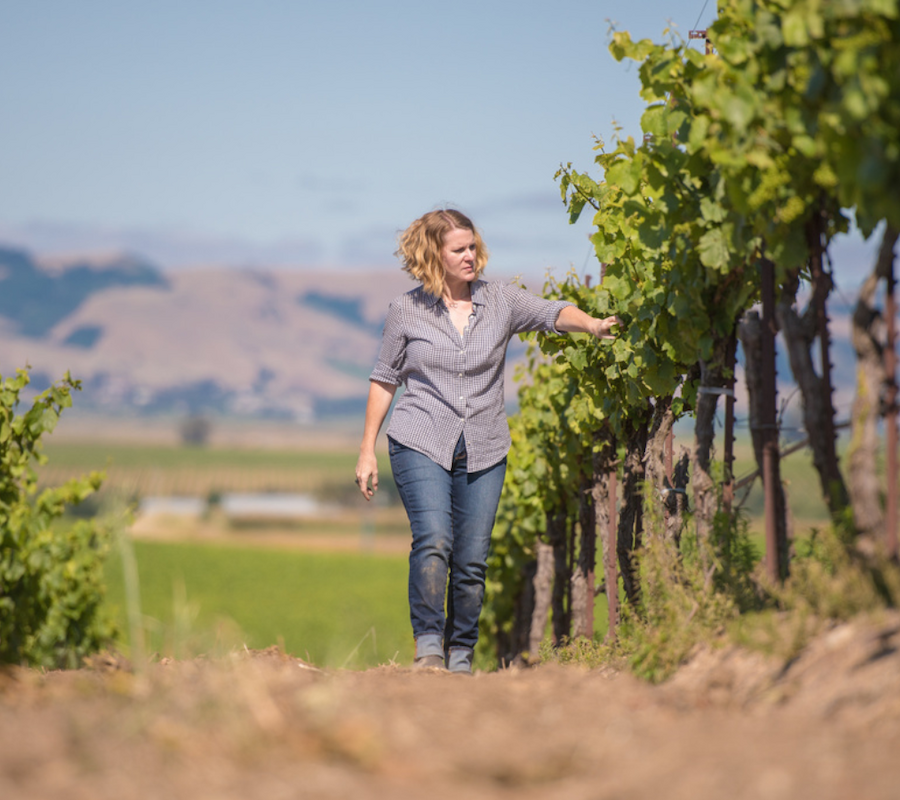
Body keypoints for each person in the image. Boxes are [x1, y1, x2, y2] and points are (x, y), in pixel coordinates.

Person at [355, 209, 620, 674]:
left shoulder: (500, 301)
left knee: (472, 558)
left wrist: (594, 324)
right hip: (421, 438)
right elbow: (384, 379)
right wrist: (366, 449)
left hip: (484, 445)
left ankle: (461, 653)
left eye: (472, 246)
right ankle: (429, 647)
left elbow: (551, 312)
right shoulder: (406, 310)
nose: (470, 256)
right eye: (458, 249)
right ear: (433, 255)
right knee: (435, 539)